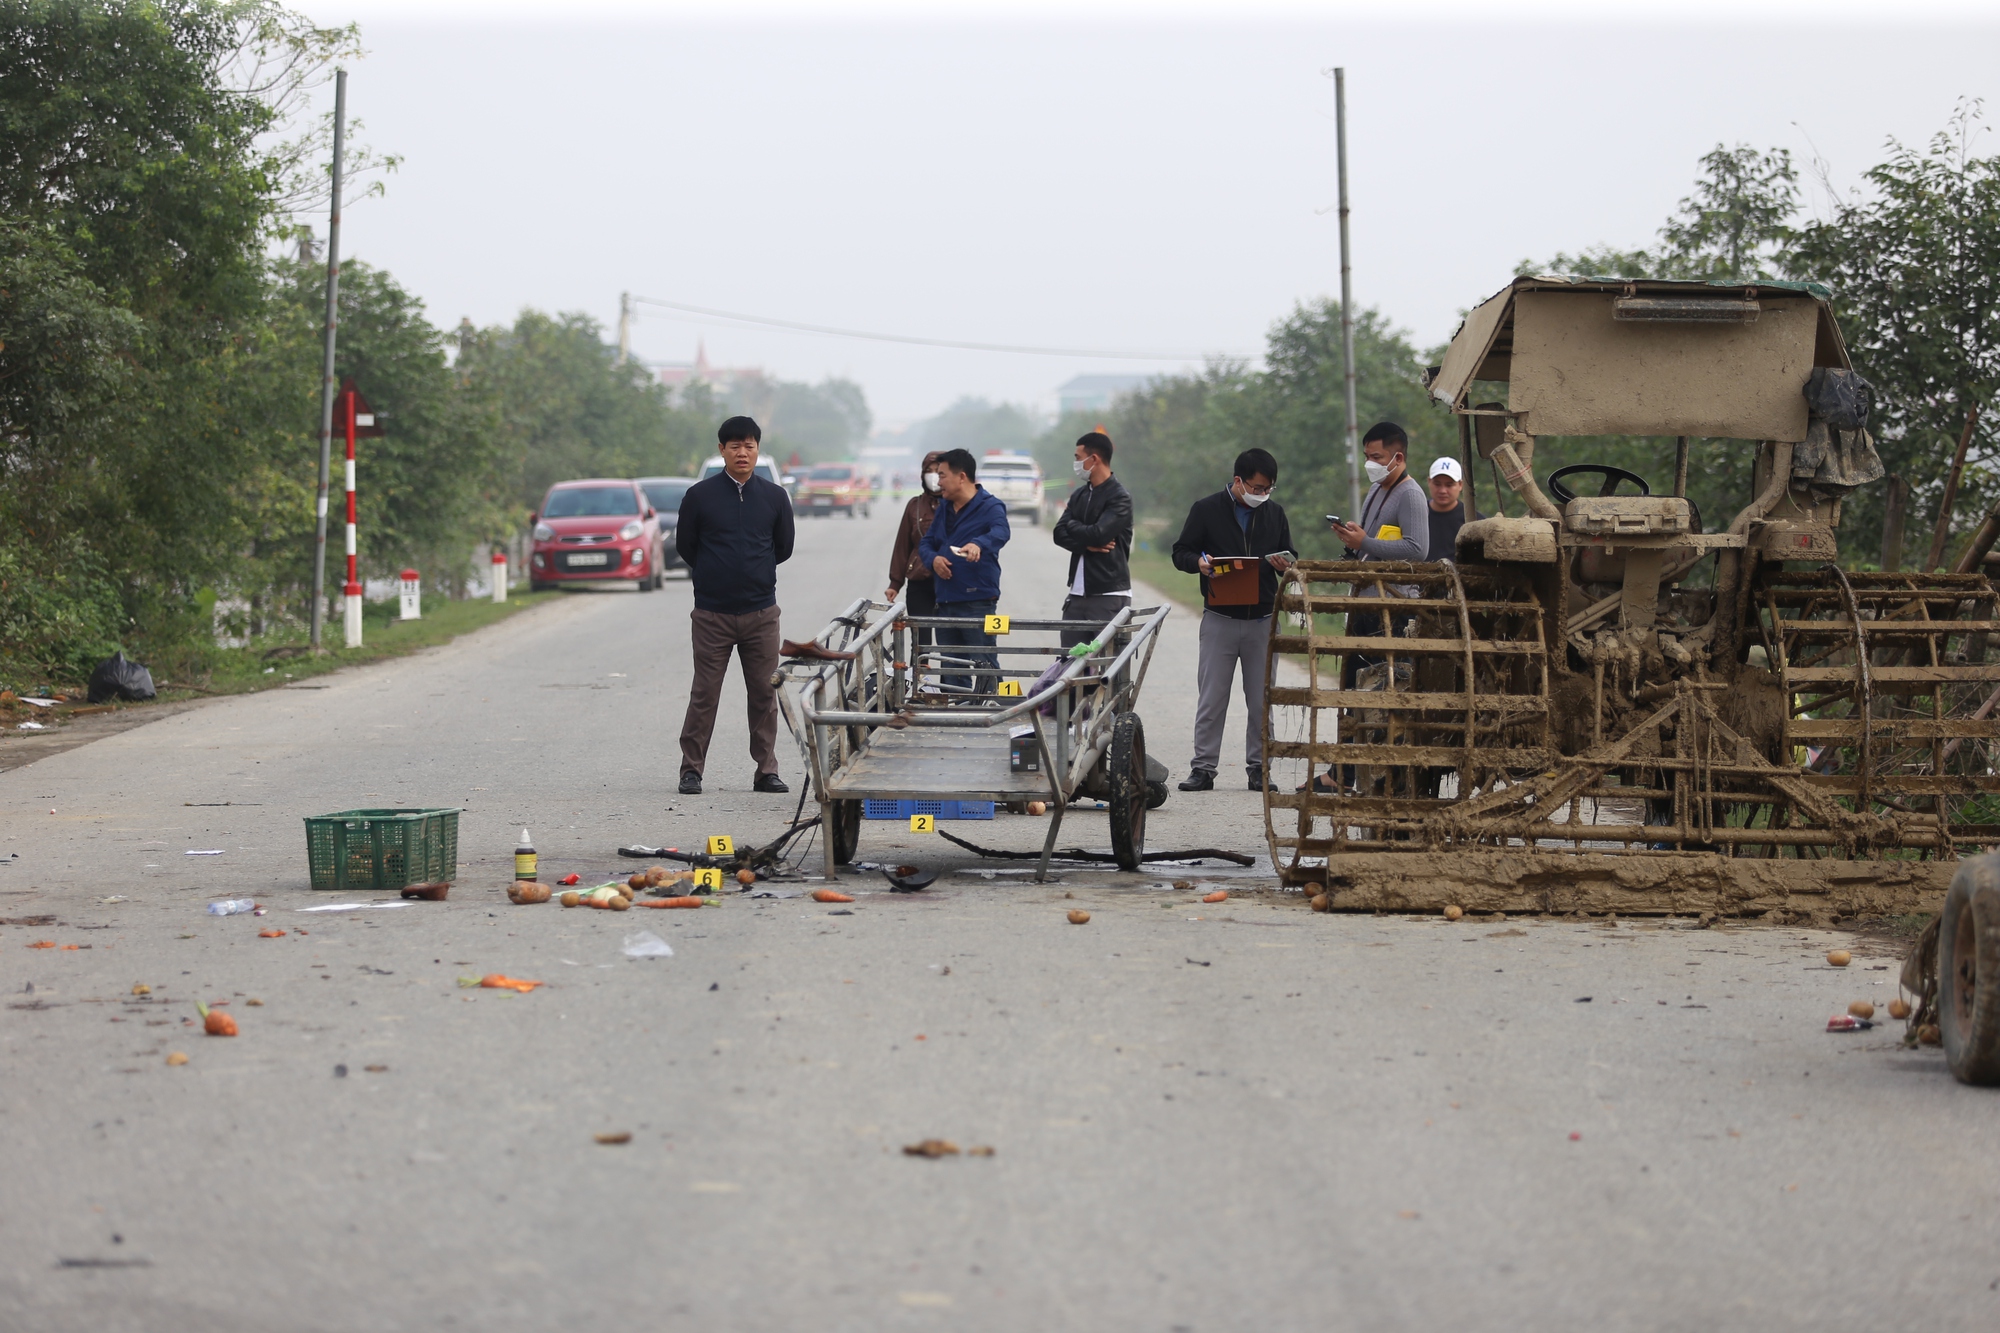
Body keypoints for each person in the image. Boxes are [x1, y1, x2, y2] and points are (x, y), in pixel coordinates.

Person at [674, 416, 796, 796]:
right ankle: (691, 770)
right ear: (721, 450)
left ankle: (766, 770)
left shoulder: (775, 497)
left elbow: (783, 548)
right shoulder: (699, 496)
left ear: (758, 449)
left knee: (764, 693)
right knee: (705, 693)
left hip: (761, 613)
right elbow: (686, 547)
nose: (742, 453)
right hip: (712, 614)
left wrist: (754, 573)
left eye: (749, 445)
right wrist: (715, 575)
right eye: (734, 446)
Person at [1170, 447, 1294, 792]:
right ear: (1238, 481)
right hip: (1220, 618)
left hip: (1263, 620)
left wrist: (1286, 563)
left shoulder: (1275, 513)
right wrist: (1199, 563)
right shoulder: (1206, 509)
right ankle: (1203, 768)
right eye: (1257, 488)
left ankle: (1260, 768)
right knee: (1212, 698)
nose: (1262, 495)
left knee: (1261, 699)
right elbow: (1180, 551)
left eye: (1268, 489)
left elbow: (1289, 552)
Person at [917, 448, 1011, 695]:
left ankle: (996, 710)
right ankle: (957, 716)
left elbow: (1001, 532)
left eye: (942, 475)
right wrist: (934, 560)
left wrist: (979, 544)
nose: (938, 481)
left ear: (962, 477)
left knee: (985, 661)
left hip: (979, 602)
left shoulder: (990, 507)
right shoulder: (945, 509)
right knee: (951, 666)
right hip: (945, 601)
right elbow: (926, 543)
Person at [1051, 431, 1132, 648]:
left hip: (1108, 595)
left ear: (1093, 459)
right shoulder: (1079, 495)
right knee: (1070, 665)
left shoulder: (1119, 497)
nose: (1076, 463)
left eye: (1078, 458)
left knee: (1107, 668)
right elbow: (1059, 533)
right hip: (1076, 596)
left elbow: (1100, 534)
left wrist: (1074, 526)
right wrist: (1086, 543)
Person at [886, 450, 946, 645]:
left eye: (939, 471)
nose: (934, 476)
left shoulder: (959, 505)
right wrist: (895, 582)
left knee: (950, 642)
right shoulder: (915, 505)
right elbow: (902, 545)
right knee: (920, 641)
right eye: (929, 471)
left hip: (950, 582)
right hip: (919, 580)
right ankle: (922, 674)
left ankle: (950, 677)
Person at [1423, 455, 1478, 561]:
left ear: (1460, 485)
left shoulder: (1472, 520)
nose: (1443, 490)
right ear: (1429, 482)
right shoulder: (1415, 515)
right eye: (1437, 484)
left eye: (1449, 485)